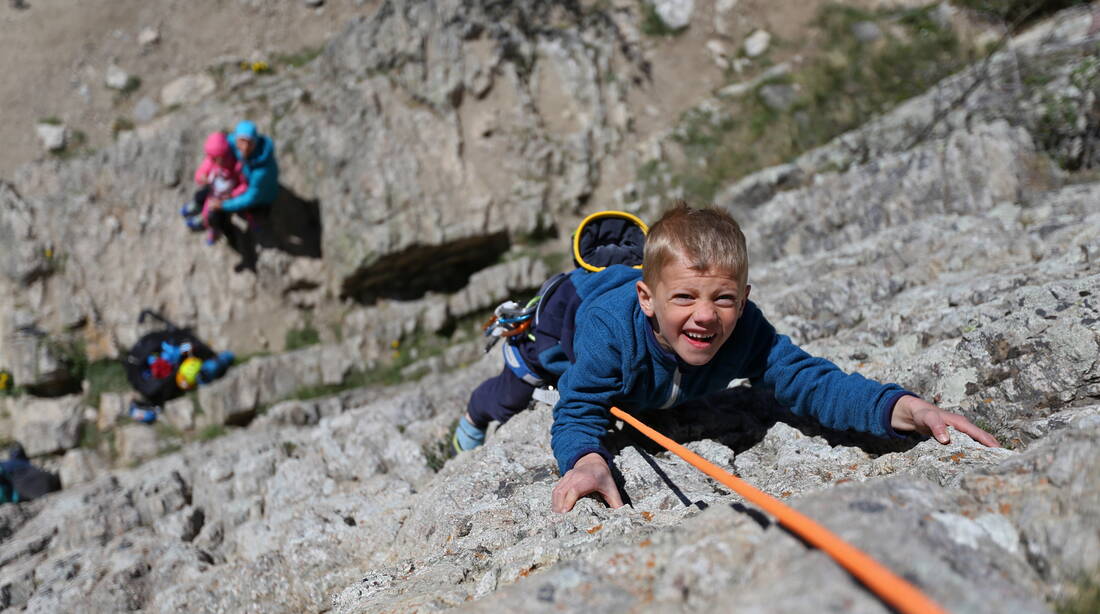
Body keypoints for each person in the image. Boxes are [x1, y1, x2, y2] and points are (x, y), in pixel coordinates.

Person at [483, 203, 1001, 513]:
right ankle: (468, 421)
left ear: (745, 296)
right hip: (571, 310)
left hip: (636, 297)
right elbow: (578, 408)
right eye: (684, 297)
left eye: (724, 299)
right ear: (648, 299)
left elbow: (808, 380)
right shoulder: (609, 333)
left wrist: (903, 408)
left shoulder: (746, 330)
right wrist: (587, 459)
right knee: (514, 386)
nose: (706, 317)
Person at [204, 121, 279, 260]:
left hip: (261, 197)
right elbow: (219, 148)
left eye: (249, 142)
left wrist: (224, 204)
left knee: (253, 210)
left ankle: (251, 220)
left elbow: (252, 196)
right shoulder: (233, 142)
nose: (244, 147)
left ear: (255, 142)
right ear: (236, 138)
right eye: (241, 141)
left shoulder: (263, 170)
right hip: (242, 183)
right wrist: (205, 170)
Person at [185, 131, 248, 245]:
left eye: (219, 158)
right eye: (213, 158)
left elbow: (244, 185)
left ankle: (214, 229)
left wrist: (232, 194)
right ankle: (207, 224)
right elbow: (200, 173)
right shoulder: (212, 160)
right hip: (214, 192)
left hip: (227, 197)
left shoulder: (237, 165)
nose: (216, 161)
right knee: (206, 206)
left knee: (217, 218)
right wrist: (202, 177)